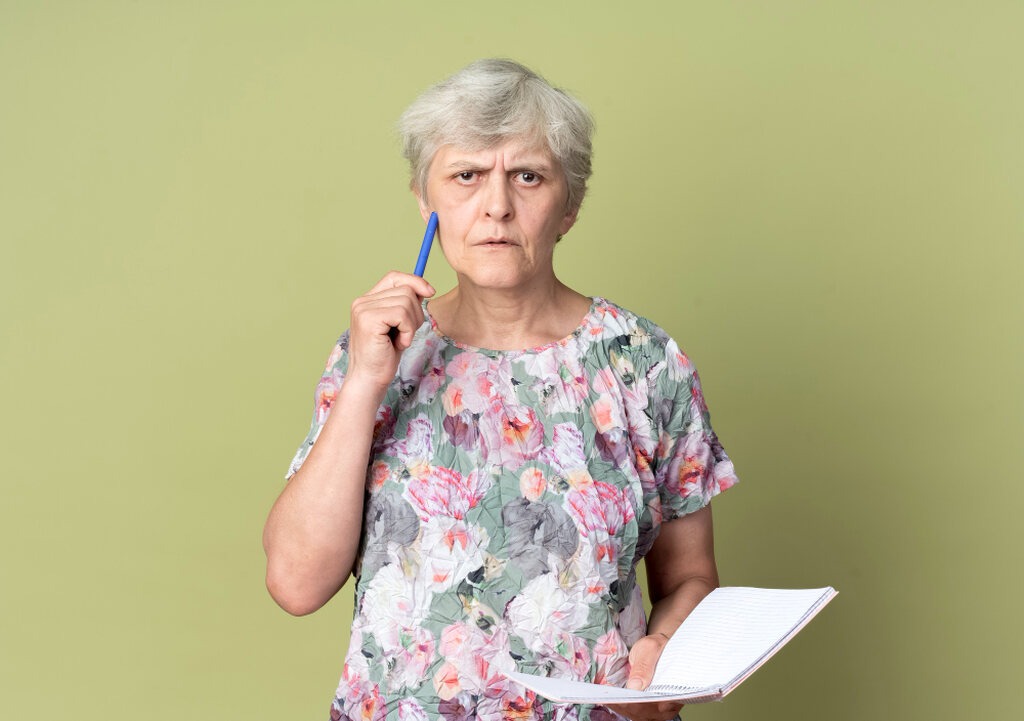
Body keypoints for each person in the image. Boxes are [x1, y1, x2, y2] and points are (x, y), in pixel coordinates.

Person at [263, 59, 738, 721]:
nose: (496, 205)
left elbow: (689, 576)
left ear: (568, 206)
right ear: (425, 202)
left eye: (527, 176)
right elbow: (295, 582)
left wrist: (664, 649)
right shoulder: (377, 355)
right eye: (466, 175)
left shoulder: (644, 362)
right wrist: (367, 381)